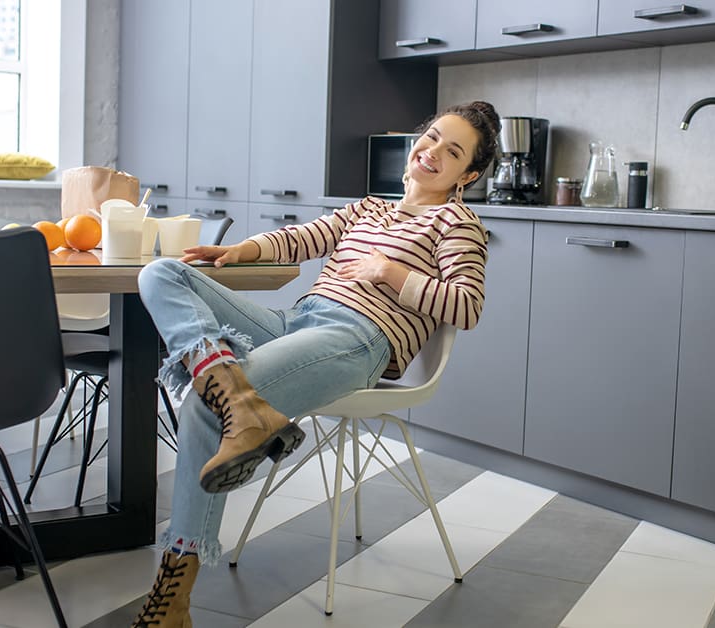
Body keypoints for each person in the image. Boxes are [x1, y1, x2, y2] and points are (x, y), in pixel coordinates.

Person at [130, 100, 501, 627]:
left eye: (454, 150)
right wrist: (239, 251)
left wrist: (389, 271)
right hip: (296, 322)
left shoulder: (457, 222)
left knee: (203, 408)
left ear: (470, 174)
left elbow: (466, 307)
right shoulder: (370, 206)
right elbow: (302, 238)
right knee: (163, 274)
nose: (434, 152)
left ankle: (173, 596)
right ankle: (237, 397)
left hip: (357, 339)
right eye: (433, 137)